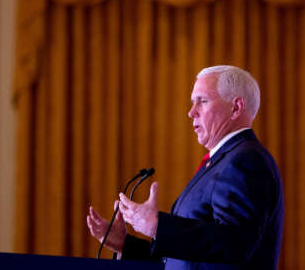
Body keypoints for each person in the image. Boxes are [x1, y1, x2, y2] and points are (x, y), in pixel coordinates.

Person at [87, 65, 284, 269]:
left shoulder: (245, 160)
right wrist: (126, 245)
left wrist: (157, 226)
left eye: (203, 101)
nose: (191, 113)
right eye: (193, 102)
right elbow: (187, 260)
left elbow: (235, 244)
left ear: (236, 108)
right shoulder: (223, 161)